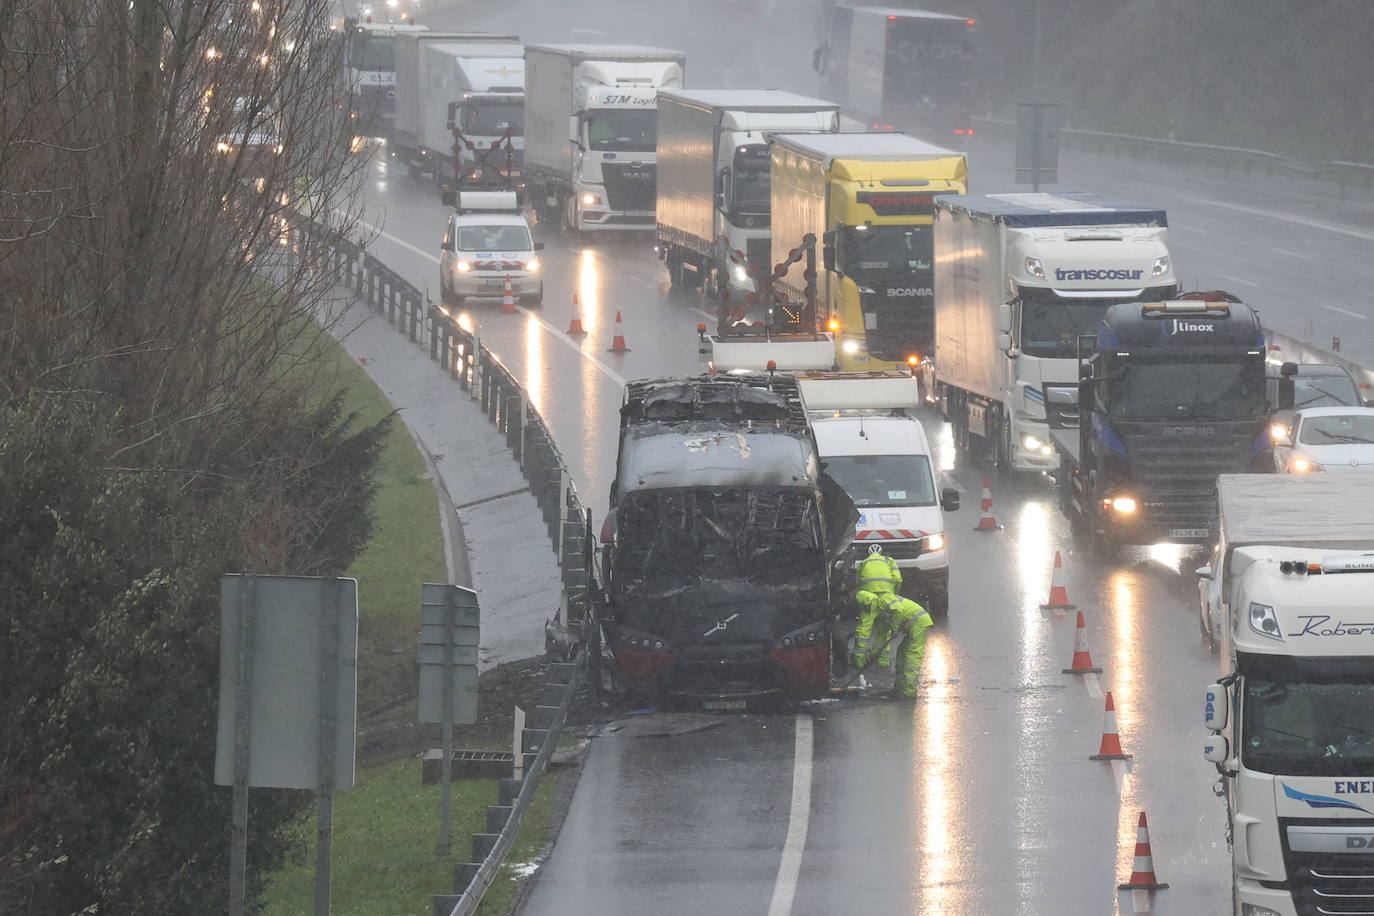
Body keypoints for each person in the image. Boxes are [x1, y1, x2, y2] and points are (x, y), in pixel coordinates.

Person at [852, 547, 933, 699]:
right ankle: (900, 688)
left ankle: (908, 693)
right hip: (913, 622)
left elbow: (897, 610)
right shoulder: (878, 608)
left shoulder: (883, 602)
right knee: (901, 654)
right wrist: (874, 656)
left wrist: (894, 628)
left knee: (911, 657)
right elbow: (882, 636)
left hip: (918, 621)